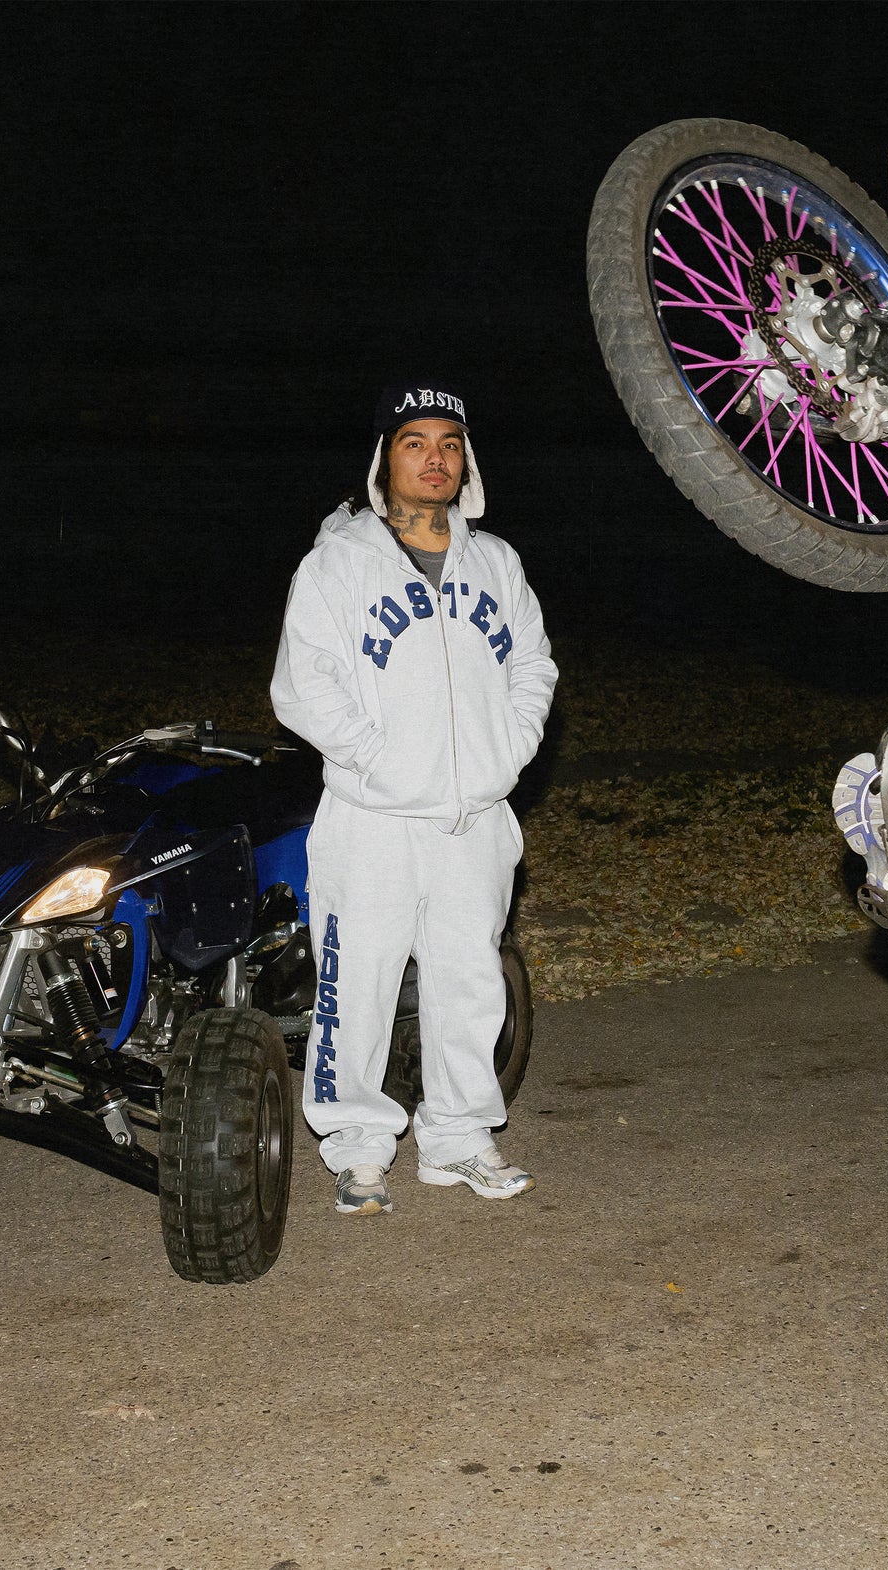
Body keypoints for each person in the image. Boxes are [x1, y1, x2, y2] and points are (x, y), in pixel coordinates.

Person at [269, 383, 557, 1216]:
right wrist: (380, 762)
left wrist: (507, 749)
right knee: (355, 987)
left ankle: (459, 1140)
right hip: (373, 820)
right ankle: (359, 1150)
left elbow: (534, 667)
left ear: (467, 460)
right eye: (415, 442)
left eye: (450, 444)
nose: (436, 459)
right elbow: (303, 687)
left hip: (476, 818)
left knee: (471, 983)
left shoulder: (496, 563)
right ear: (383, 459)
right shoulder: (337, 565)